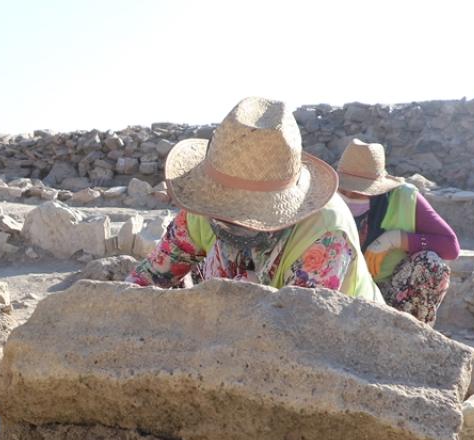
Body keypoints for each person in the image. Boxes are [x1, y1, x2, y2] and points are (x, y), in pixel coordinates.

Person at [127, 97, 381, 303]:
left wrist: (249, 300)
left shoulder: (324, 233)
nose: (226, 221)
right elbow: (151, 275)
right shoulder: (203, 204)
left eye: (243, 216)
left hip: (345, 335)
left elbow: (303, 330)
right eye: (223, 209)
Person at [335, 138, 459, 323]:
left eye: (359, 191)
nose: (350, 196)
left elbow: (450, 247)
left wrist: (396, 239)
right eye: (345, 190)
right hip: (337, 290)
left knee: (431, 264)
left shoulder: (403, 198)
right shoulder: (327, 196)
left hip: (390, 295)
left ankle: (409, 333)